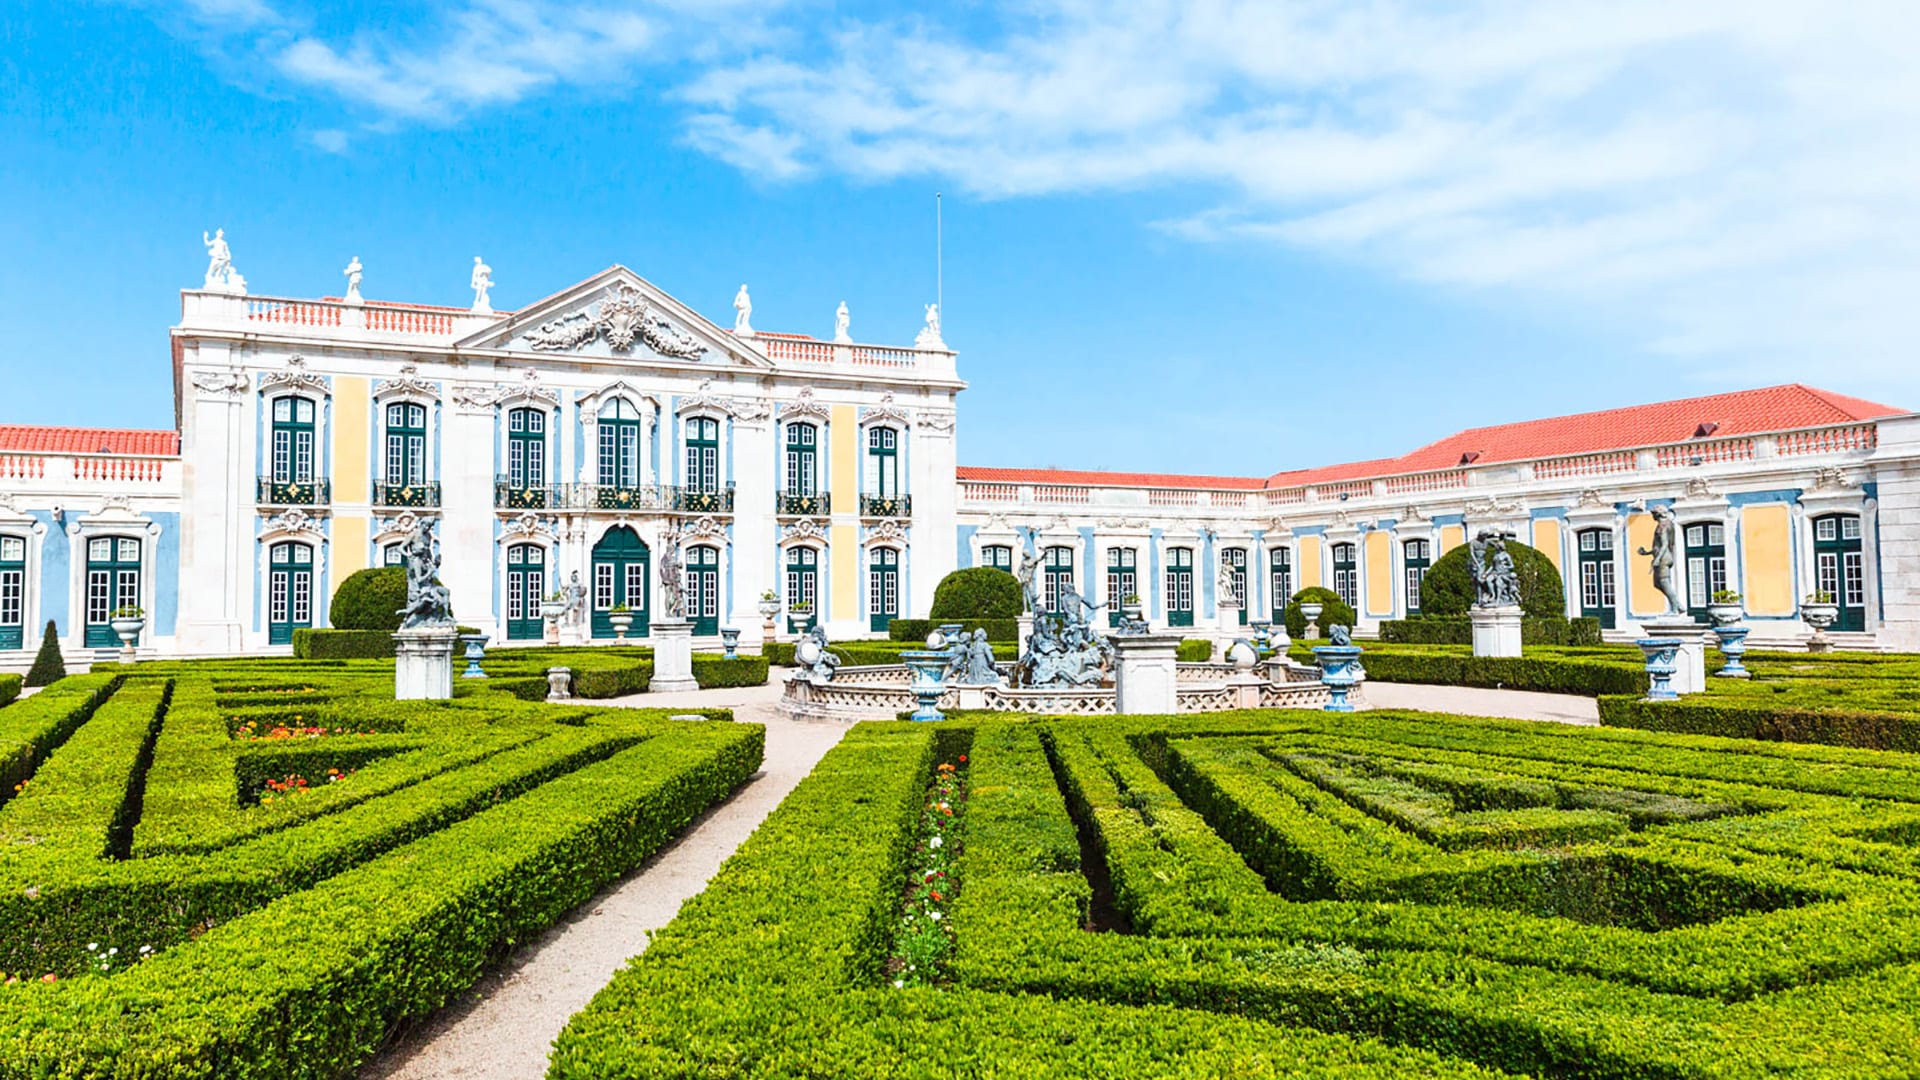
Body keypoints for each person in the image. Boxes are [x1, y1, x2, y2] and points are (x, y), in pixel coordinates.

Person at [1639, 505, 1684, 614]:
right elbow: (1658, 546)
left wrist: (1657, 559)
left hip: (1663, 558)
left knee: (1664, 582)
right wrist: (1647, 553)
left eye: (1653, 513)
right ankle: (1678, 605)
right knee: (1657, 583)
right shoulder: (1665, 524)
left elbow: (1664, 544)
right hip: (1663, 556)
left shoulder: (1662, 525)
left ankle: (1674, 609)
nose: (1652, 516)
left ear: (1658, 514)